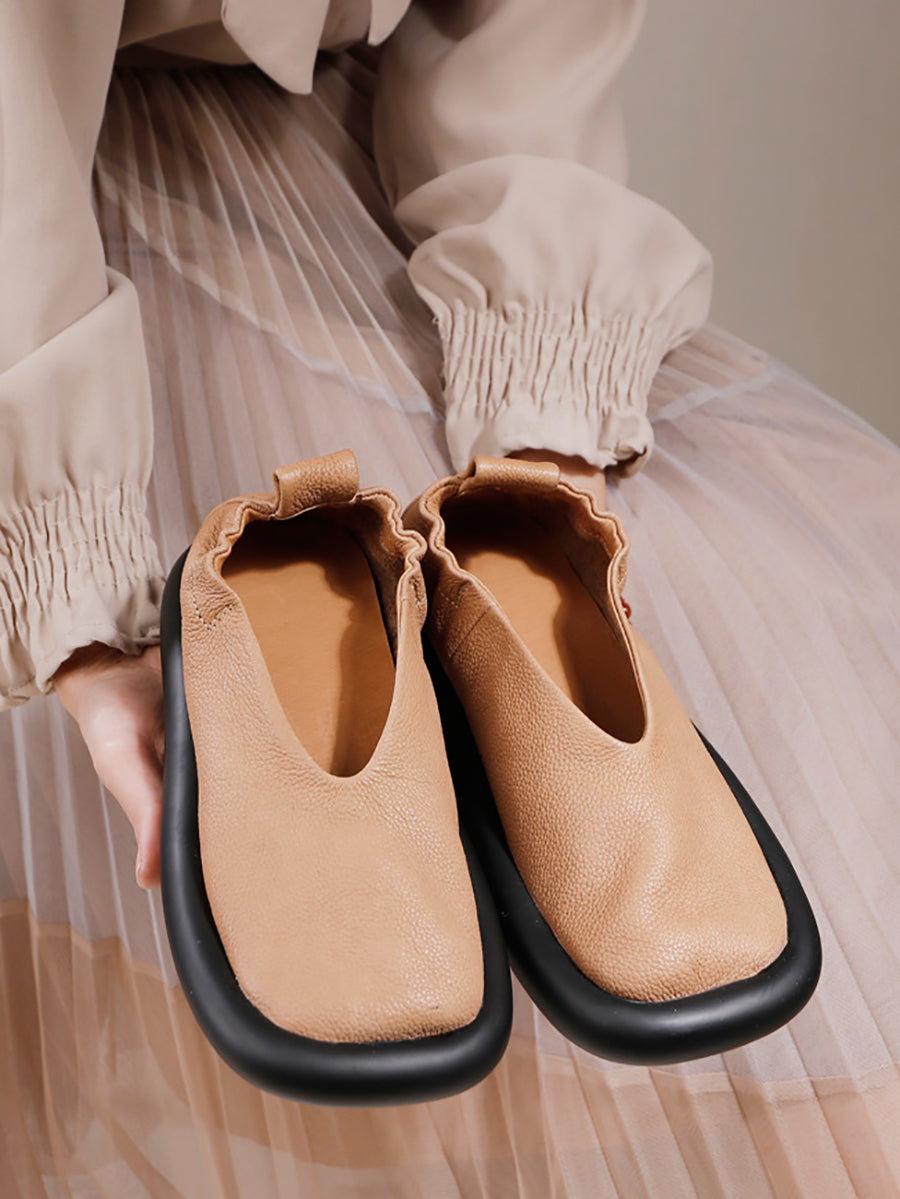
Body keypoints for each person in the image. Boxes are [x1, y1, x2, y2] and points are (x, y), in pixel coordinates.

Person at [2, 2, 898, 1194]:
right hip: (45, 240)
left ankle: (495, 597)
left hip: (359, 154)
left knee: (822, 598)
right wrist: (66, 587)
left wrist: (543, 396)